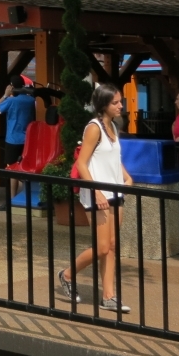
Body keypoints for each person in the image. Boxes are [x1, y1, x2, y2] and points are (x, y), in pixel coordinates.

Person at [58, 83, 133, 314]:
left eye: (120, 101)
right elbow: (82, 163)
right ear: (103, 105)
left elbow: (113, 158)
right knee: (101, 248)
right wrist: (96, 191)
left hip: (115, 191)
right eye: (115, 102)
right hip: (97, 193)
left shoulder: (114, 126)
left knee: (111, 246)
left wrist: (127, 177)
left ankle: (109, 296)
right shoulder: (94, 127)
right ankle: (67, 274)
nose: (121, 105)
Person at [0, 75, 36, 210]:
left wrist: (6, 95)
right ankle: (26, 197)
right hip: (27, 139)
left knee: (12, 168)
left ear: (11, 86)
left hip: (12, 139)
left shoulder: (11, 101)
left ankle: (12, 199)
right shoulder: (31, 100)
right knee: (26, 168)